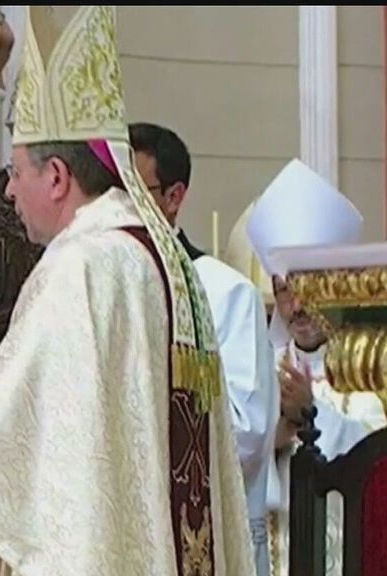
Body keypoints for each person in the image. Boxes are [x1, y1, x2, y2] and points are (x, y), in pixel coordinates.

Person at [0, 6, 255, 575]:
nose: (8, 191)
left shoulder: (79, 267)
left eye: (16, 172)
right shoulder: (161, 256)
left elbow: (13, 442)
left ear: (56, 176)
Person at [130, 121, 279, 575]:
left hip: (208, 540)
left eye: (135, 193)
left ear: (174, 197)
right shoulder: (110, 289)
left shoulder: (225, 292)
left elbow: (246, 434)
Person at [245, 158, 383, 576]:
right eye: (284, 291)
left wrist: (312, 414)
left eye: (306, 291)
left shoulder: (367, 363)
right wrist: (275, 431)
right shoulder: (259, 368)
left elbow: (378, 459)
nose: (297, 306)